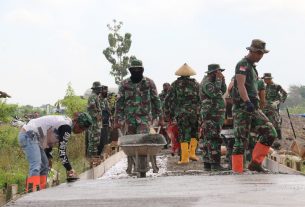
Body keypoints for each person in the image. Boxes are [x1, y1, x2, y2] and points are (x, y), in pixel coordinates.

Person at [231, 39, 277, 173]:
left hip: (253, 107)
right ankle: (238, 171)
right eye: (259, 54)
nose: (261, 57)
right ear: (253, 51)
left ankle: (255, 163)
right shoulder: (242, 64)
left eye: (262, 54)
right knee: (241, 140)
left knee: (270, 132)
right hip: (243, 107)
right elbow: (240, 85)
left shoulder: (252, 67)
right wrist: (247, 101)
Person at [18, 112, 92, 192]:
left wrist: (48, 156)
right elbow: (62, 150)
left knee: (45, 165)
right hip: (28, 135)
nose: (80, 131)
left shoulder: (65, 123)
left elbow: (48, 141)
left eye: (83, 130)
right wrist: (69, 169)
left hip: (36, 137)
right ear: (75, 122)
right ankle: (31, 192)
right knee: (36, 164)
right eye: (80, 127)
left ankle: (40, 192)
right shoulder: (66, 127)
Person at [114, 59, 163, 173]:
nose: (136, 71)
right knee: (130, 143)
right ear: (130, 70)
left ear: (142, 70)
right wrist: (117, 119)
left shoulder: (149, 83)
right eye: (133, 70)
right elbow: (119, 102)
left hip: (144, 118)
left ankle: (143, 165)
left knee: (142, 140)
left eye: (138, 69)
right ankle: (132, 165)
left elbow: (156, 100)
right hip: (129, 119)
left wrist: (160, 117)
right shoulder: (124, 84)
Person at [165, 63, 200, 164]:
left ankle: (185, 158)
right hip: (194, 113)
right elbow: (200, 98)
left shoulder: (175, 84)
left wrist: (168, 112)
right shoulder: (196, 84)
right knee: (194, 132)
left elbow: (168, 100)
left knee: (184, 133)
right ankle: (192, 153)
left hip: (181, 114)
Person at [200, 64, 227, 170]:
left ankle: (208, 163)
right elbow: (215, 94)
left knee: (209, 138)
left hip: (215, 114)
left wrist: (222, 80)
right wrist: (219, 80)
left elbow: (222, 91)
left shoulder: (213, 81)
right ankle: (215, 164)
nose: (220, 74)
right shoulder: (207, 82)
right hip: (211, 114)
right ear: (213, 72)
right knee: (213, 138)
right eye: (218, 72)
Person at [263, 73, 287, 142]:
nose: (264, 80)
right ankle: (270, 137)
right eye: (264, 79)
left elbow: (284, 94)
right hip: (265, 107)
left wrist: (278, 102)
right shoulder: (264, 87)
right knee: (266, 122)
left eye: (265, 79)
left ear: (269, 79)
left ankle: (279, 138)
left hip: (273, 108)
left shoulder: (277, 86)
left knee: (276, 122)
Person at [86, 81, 103, 159]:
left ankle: (94, 157)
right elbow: (92, 108)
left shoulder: (95, 96)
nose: (100, 90)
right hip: (94, 123)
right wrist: (97, 116)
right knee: (93, 140)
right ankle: (91, 158)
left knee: (96, 141)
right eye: (99, 88)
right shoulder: (93, 96)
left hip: (96, 123)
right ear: (95, 89)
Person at [98, 85, 111, 156]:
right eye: (105, 92)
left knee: (106, 138)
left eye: (106, 92)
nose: (106, 93)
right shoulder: (98, 99)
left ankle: (104, 153)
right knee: (101, 139)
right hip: (100, 123)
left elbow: (108, 110)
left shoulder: (105, 100)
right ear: (101, 92)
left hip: (106, 122)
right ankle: (100, 153)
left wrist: (110, 118)